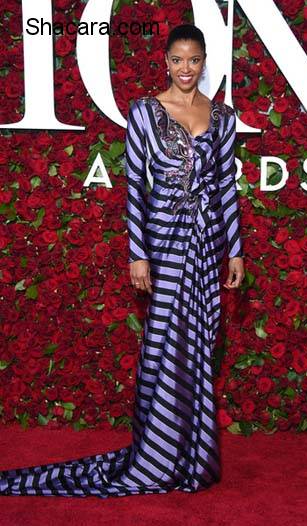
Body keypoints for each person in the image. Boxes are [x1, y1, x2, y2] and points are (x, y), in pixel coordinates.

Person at [0, 23, 244, 498]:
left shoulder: (222, 117)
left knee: (196, 347)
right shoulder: (144, 112)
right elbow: (137, 185)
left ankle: (191, 456)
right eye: (178, 60)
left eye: (194, 60)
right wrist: (138, 254)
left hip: (207, 240)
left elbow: (225, 190)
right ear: (166, 62)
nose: (186, 69)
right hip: (164, 241)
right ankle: (155, 455)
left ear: (204, 61)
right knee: (162, 344)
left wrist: (234, 249)